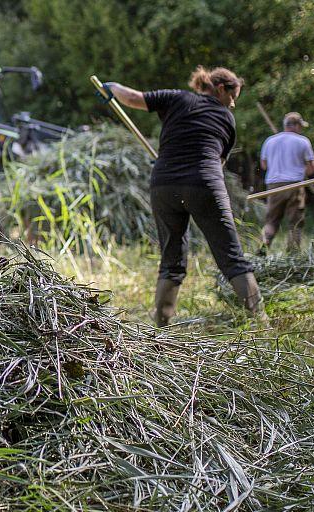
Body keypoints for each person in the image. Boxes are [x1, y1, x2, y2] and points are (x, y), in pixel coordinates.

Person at [102, 67, 264, 326]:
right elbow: (218, 162)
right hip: (203, 183)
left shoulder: (175, 97)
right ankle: (261, 321)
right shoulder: (225, 118)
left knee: (171, 259)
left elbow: (132, 98)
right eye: (233, 97)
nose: (233, 104)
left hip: (163, 184)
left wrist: (110, 87)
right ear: (221, 89)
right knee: (231, 257)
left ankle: (162, 326)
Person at [259, 112, 314, 253]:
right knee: (295, 222)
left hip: (273, 185)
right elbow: (311, 167)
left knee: (271, 220)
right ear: (296, 126)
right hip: (294, 185)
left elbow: (264, 165)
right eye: (300, 126)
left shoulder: (270, 141)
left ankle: (263, 246)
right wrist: (302, 172)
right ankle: (293, 254)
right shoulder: (303, 141)